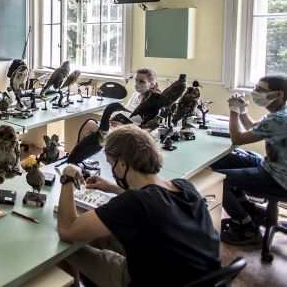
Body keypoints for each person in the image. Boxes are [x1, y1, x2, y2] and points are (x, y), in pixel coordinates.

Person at [57, 125, 221, 287]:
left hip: (148, 281)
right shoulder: (184, 187)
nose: (112, 169)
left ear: (122, 163)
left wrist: (68, 176)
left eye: (110, 163)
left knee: (70, 249)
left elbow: (67, 230)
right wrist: (114, 188)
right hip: (202, 279)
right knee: (100, 236)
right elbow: (150, 206)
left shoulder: (134, 202)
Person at [210, 75, 287, 245]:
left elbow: (237, 138)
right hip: (271, 165)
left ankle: (245, 227)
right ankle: (251, 210)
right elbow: (253, 127)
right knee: (223, 160)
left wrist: (233, 110)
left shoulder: (280, 119)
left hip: (279, 177)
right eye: (255, 88)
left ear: (279, 94)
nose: (255, 93)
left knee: (217, 181)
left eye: (261, 90)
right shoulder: (280, 112)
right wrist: (243, 109)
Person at [76, 68, 160, 141]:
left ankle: (76, 157)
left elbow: (148, 128)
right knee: (90, 123)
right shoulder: (135, 95)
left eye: (141, 81)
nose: (137, 83)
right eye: (136, 80)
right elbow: (126, 112)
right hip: (119, 127)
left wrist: (125, 126)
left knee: (90, 125)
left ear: (151, 84)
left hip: (129, 133)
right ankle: (77, 156)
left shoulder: (153, 103)